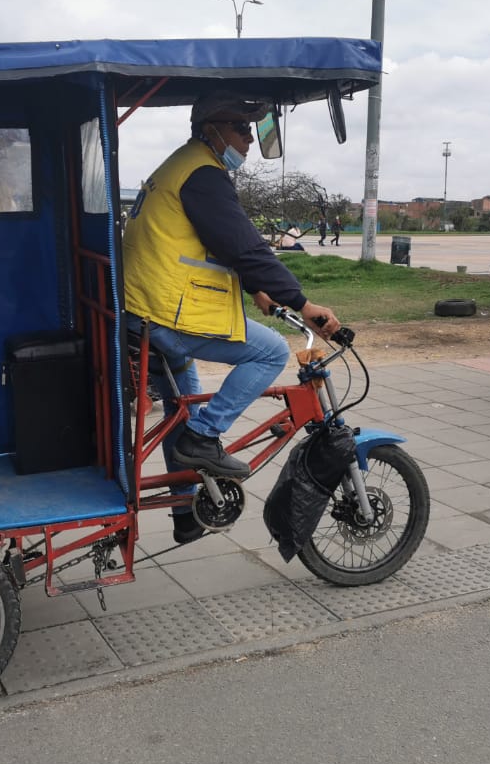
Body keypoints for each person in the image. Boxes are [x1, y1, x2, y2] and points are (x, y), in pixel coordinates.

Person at [122, 92, 342, 544]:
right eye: (242, 128)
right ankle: (204, 441)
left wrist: (258, 289)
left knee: (183, 406)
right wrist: (303, 305)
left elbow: (209, 245)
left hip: (142, 308)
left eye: (253, 130)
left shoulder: (183, 165)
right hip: (164, 314)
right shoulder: (202, 173)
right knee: (271, 351)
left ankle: (186, 511)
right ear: (211, 128)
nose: (248, 140)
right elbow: (245, 247)